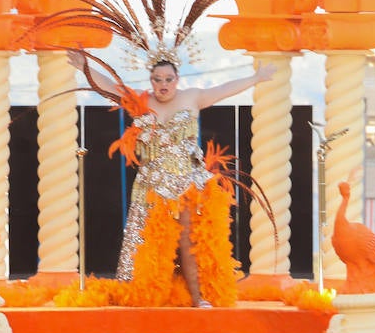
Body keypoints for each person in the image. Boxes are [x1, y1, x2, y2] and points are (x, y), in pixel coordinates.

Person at [70, 51, 273, 307]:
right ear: (151, 81)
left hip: (186, 184)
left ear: (177, 79)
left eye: (168, 79)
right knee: (146, 242)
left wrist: (256, 78)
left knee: (188, 240)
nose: (163, 85)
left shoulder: (192, 97)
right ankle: (146, 292)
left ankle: (198, 297)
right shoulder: (141, 101)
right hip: (151, 186)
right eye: (157, 79)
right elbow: (109, 87)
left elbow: (224, 89)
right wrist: (85, 66)